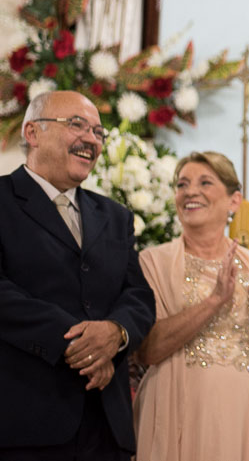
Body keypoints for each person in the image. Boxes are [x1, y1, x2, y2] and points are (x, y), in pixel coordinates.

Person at [0, 91, 156, 460]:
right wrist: (76, 342)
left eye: (98, 132)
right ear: (33, 133)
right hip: (23, 422)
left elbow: (138, 296)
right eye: (77, 125)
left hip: (105, 426)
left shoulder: (115, 216)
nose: (91, 139)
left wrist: (114, 333)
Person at [132, 151, 249, 461]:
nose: (190, 191)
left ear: (234, 201)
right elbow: (147, 350)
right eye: (182, 184)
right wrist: (214, 301)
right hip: (177, 413)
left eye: (205, 182)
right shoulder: (153, 262)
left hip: (242, 416)